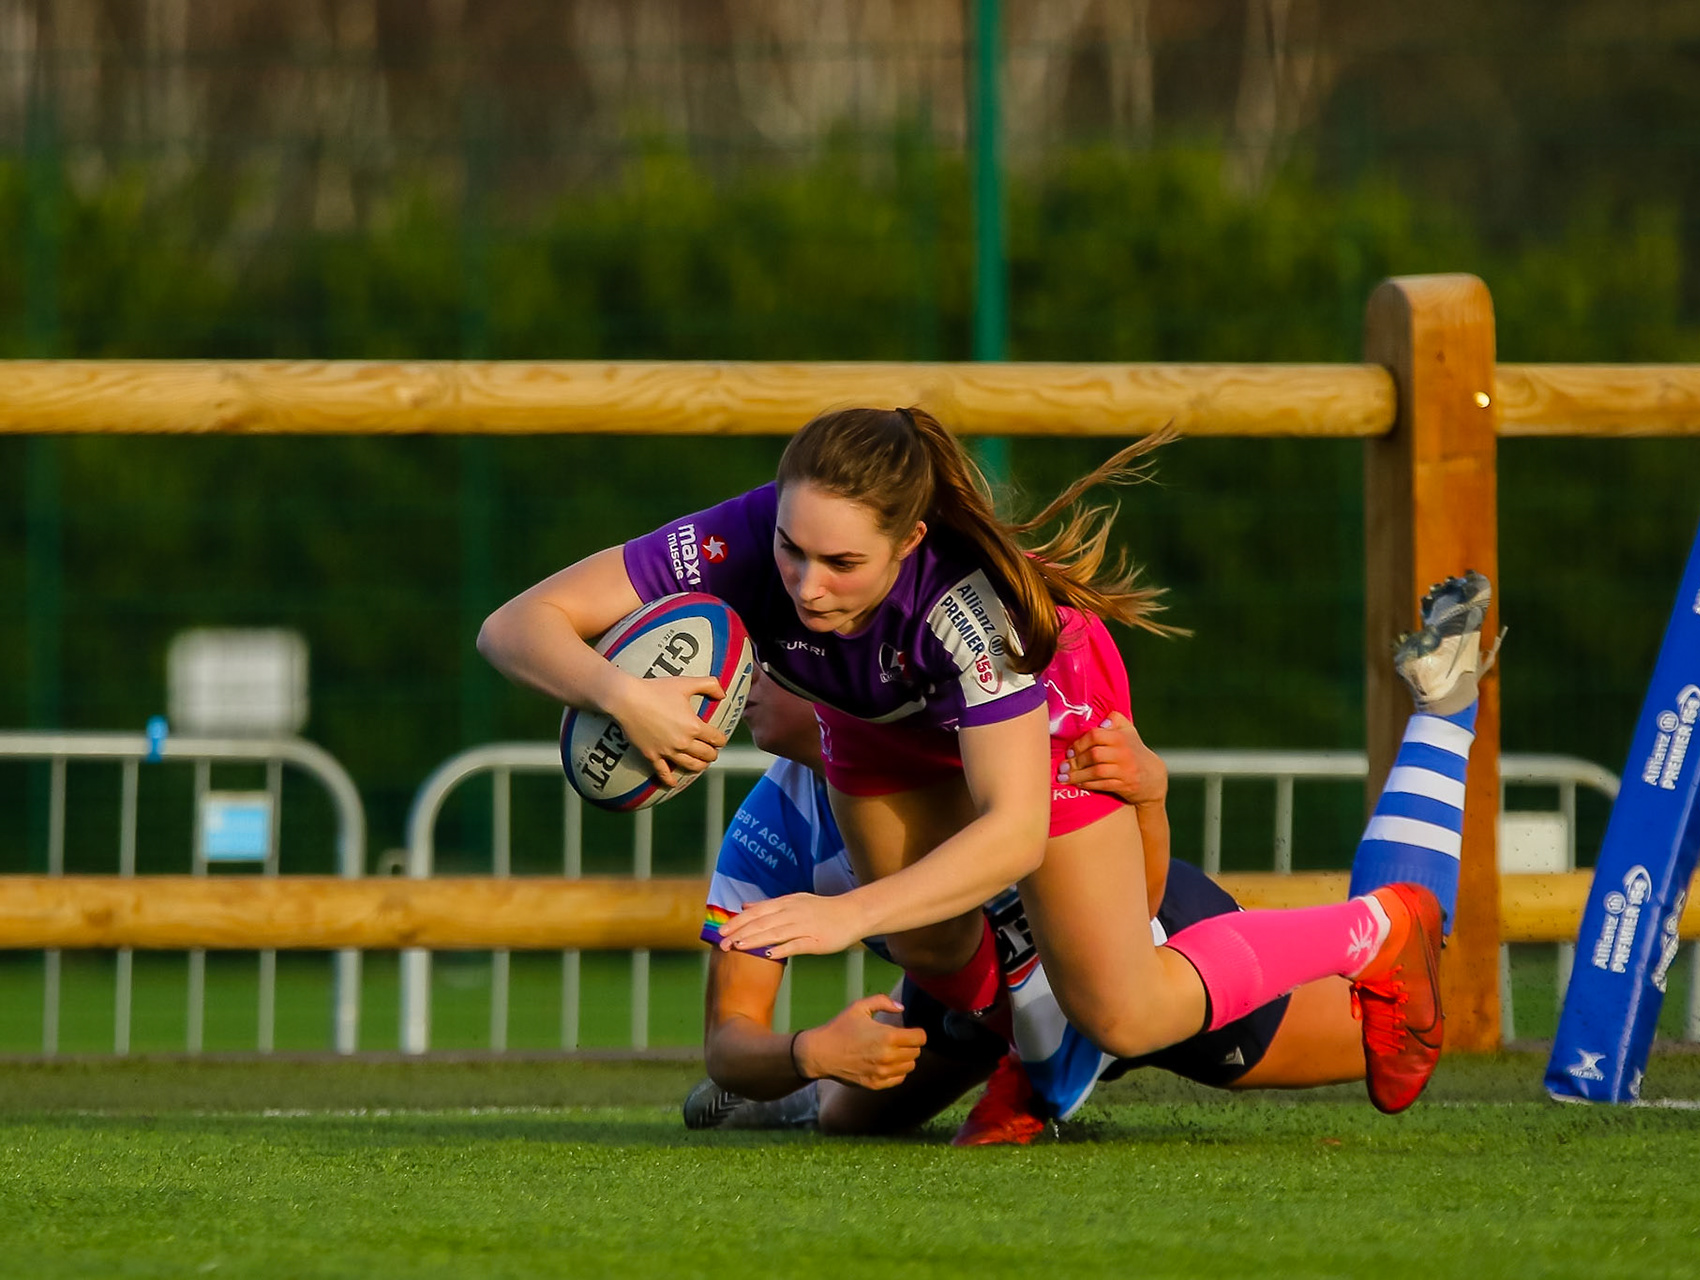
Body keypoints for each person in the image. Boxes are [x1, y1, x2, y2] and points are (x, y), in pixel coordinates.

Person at [478, 407, 1493, 1116]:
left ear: (910, 539)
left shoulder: (972, 615)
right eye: (791, 549)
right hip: (882, 714)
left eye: (841, 564)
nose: (803, 584)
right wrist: (621, 693)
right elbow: (513, 625)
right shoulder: (742, 543)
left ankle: (1382, 921)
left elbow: (1013, 825)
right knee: (924, 947)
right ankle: (1034, 1047)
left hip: (1044, 720)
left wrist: (843, 917)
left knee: (1126, 1004)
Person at [684, 581, 1497, 1141]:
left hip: (1139, 948)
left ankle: (1446, 708)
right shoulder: (772, 827)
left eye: (775, 657)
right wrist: (806, 1055)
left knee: (1382, 1015)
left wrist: (1148, 797)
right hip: (981, 998)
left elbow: (1139, 902)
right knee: (849, 1113)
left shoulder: (980, 750)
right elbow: (728, 1039)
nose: (746, 677)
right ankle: (818, 1099)